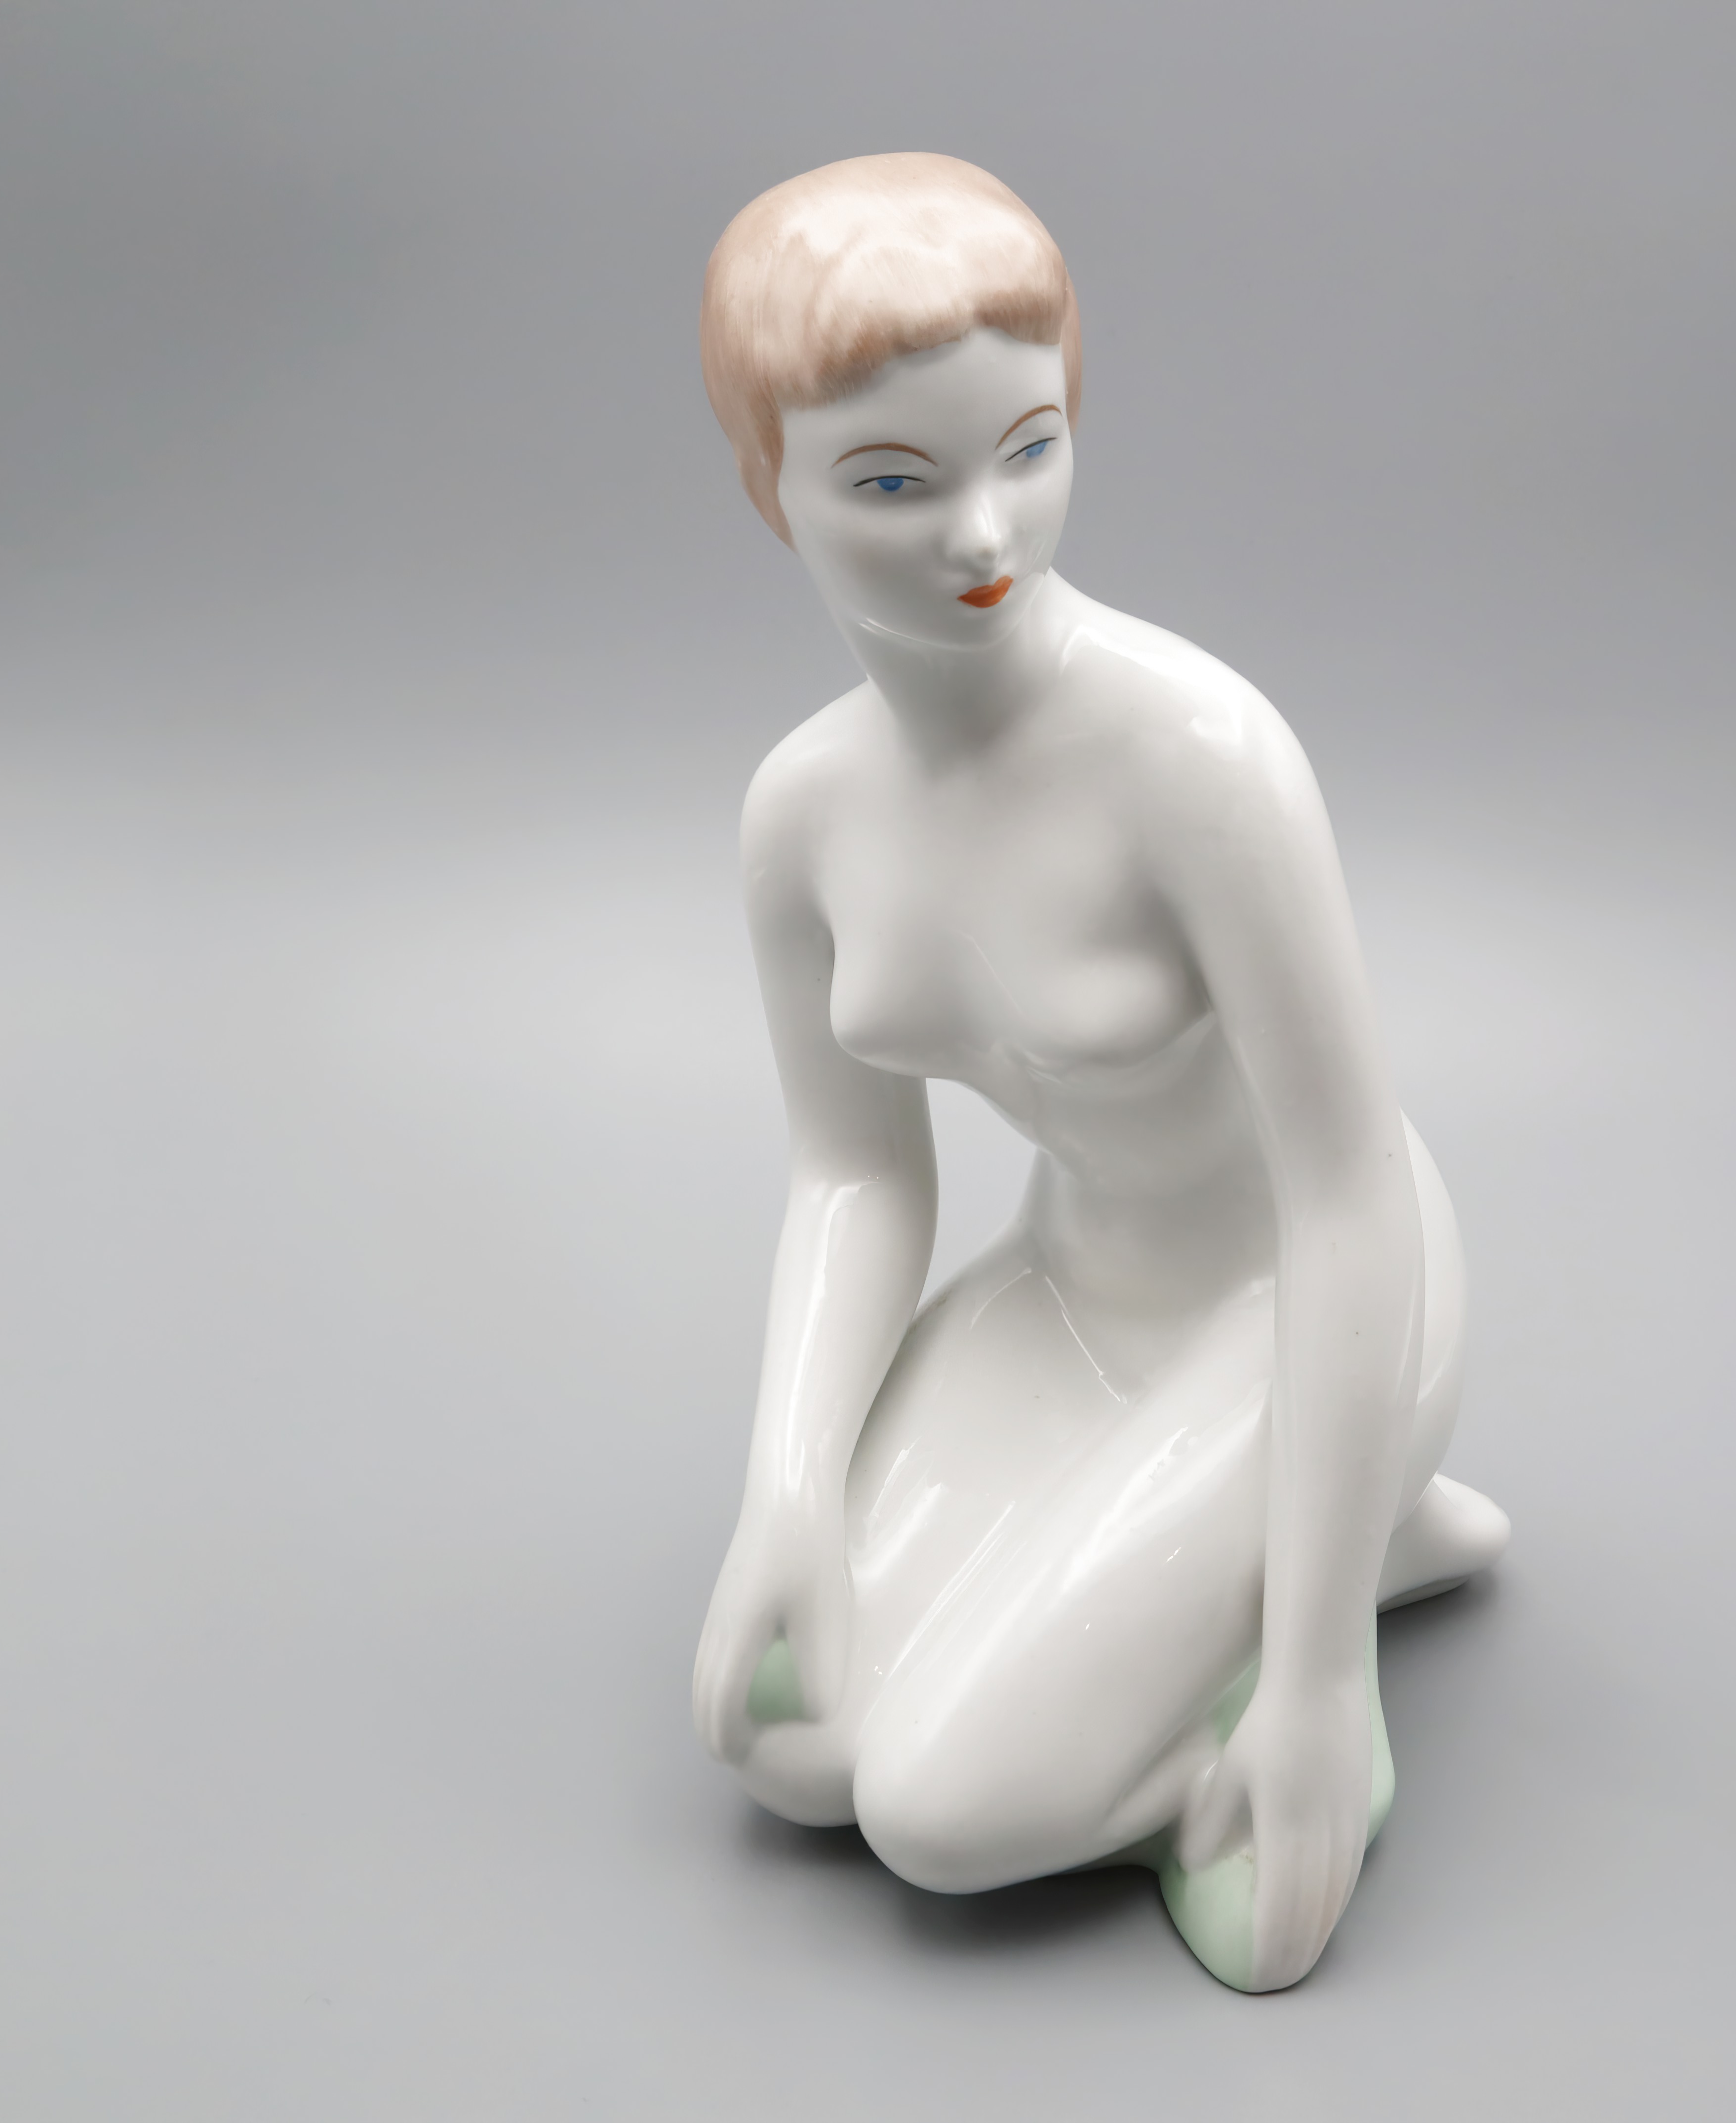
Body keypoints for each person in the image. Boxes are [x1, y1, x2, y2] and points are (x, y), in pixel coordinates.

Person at [691, 153, 1508, 1992]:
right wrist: (785, 1487)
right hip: (1071, 1293)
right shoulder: (803, 814)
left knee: (934, 1812)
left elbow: (1346, 1193)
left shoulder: (1200, 758)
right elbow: (853, 1173)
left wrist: (1316, 1679)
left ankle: (1301, 1600)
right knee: (787, 1738)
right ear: (768, 489)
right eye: (891, 482)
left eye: (1030, 448)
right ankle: (1286, 1566)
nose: (981, 531)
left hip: (1317, 1298)